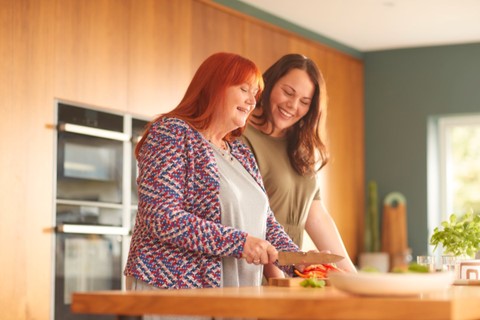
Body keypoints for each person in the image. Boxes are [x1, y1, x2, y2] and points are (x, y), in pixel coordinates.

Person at [124, 52, 302, 303]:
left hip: (236, 292)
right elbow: (162, 217)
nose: (252, 101)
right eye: (244, 89)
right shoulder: (171, 133)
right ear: (215, 87)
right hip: (174, 291)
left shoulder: (240, 151)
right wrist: (241, 243)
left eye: (255, 94)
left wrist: (301, 261)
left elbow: (266, 223)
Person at [242, 53, 357, 275]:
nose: (292, 105)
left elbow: (316, 216)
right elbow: (248, 220)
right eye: (287, 92)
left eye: (304, 102)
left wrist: (353, 277)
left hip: (289, 269)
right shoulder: (242, 137)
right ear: (270, 83)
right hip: (257, 270)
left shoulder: (300, 149)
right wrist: (278, 282)